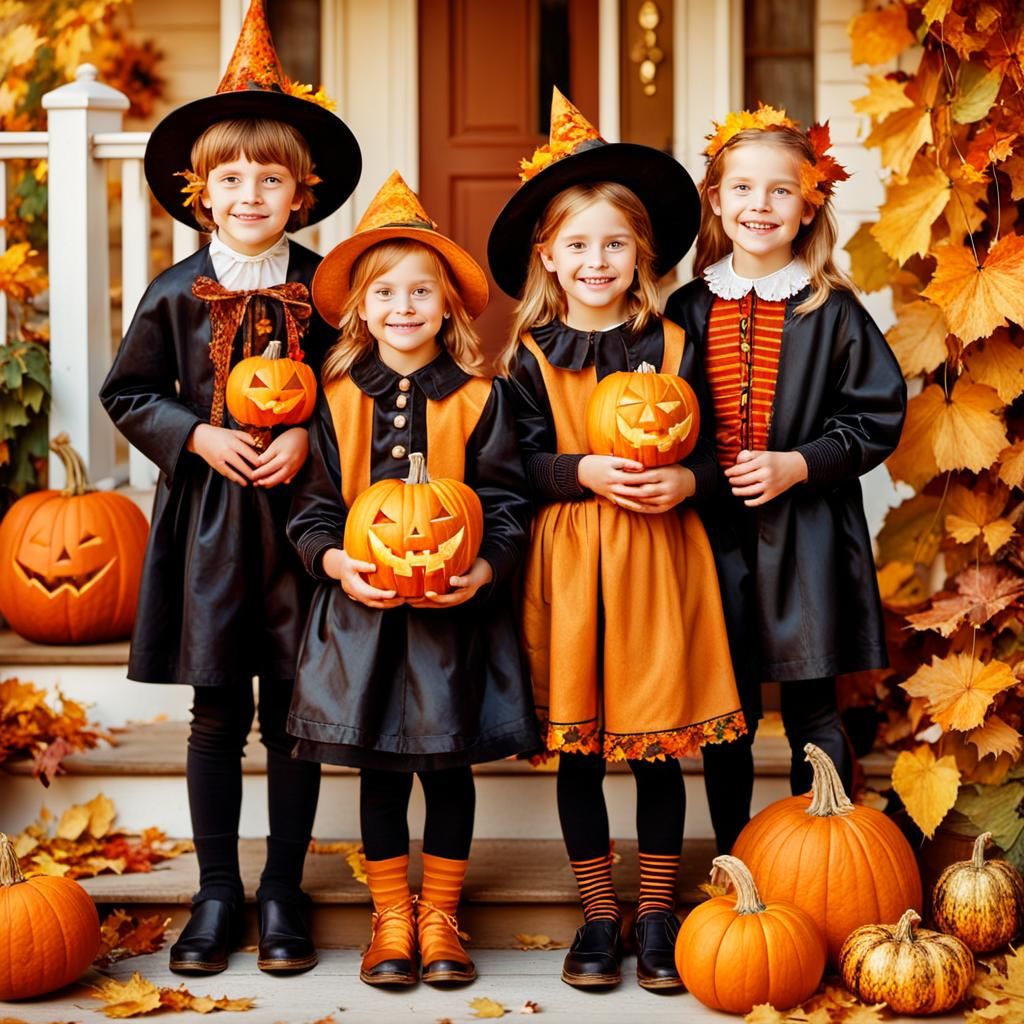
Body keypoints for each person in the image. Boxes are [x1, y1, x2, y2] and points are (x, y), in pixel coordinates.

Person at [99, 0, 361, 976]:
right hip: (209, 524)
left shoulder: (327, 288)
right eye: (231, 178)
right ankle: (217, 891)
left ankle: (284, 888)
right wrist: (197, 433)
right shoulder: (174, 292)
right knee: (218, 710)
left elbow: (354, 389)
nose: (250, 192)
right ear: (200, 192)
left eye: (271, 177)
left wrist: (307, 436)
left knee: (295, 707)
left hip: (301, 522)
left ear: (302, 194)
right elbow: (128, 392)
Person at [487, 89, 745, 992]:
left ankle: (659, 910)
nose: (596, 260)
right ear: (547, 255)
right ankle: (599, 912)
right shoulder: (526, 357)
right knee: (585, 749)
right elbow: (508, 466)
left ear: (643, 253)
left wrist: (689, 481)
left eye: (614, 243)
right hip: (569, 569)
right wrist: (581, 472)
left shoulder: (675, 344)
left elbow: (715, 452)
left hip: (660, 564)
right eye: (578, 243)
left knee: (657, 744)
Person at [286, 171, 538, 988]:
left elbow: (504, 502)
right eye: (385, 292)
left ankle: (441, 917)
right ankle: (390, 914)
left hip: (455, 620)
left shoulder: (478, 399)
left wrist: (488, 569)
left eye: (420, 291)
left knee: (447, 766)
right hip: (362, 619)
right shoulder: (331, 398)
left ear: (448, 306)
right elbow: (313, 508)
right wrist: (334, 563)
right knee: (384, 770)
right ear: (360, 309)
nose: (403, 306)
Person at [664, 106, 907, 854]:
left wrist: (799, 463)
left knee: (811, 711)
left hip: (806, 536)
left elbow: (876, 417)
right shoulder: (686, 307)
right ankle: (736, 861)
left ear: (809, 206)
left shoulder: (832, 312)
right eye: (742, 189)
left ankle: (826, 861)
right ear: (715, 199)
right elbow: (658, 412)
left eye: (779, 191)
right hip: (714, 537)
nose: (759, 206)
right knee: (726, 717)